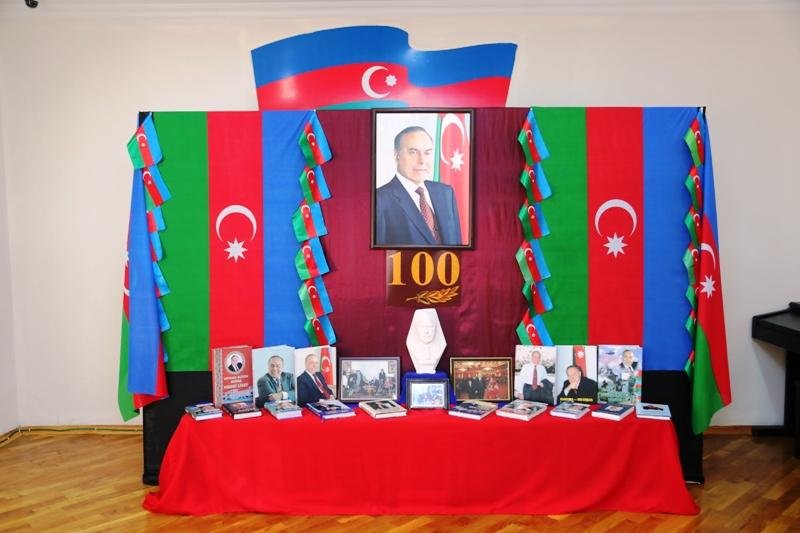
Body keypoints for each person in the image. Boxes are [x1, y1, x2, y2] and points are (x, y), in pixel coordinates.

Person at [375, 126, 462, 246]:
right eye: (413, 152)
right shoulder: (379, 200)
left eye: (427, 153)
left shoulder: (446, 193)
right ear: (396, 155)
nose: (422, 161)